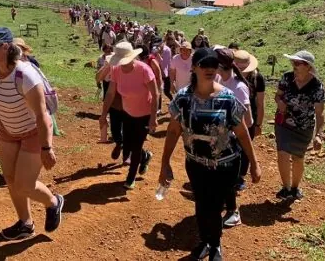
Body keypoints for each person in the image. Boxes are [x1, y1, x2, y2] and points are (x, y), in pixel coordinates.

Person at [159, 48, 261, 261]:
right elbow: (173, 131)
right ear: (194, 67)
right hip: (195, 164)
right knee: (201, 204)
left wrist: (254, 163)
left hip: (225, 165)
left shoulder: (227, 98)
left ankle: (214, 245)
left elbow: (242, 133)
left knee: (213, 206)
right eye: (204, 64)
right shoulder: (183, 98)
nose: (209, 69)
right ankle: (206, 241)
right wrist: (164, 163)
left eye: (213, 65)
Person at [0, 27, 64, 240]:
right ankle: (25, 224)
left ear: (5, 47)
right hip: (9, 131)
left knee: (24, 185)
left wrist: (46, 147)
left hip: (33, 133)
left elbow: (42, 114)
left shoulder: (25, 75)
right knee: (10, 178)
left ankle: (53, 202)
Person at [99, 41, 158, 189]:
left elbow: (155, 94)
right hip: (127, 112)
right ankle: (146, 156)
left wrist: (153, 118)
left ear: (132, 57)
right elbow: (111, 93)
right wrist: (103, 114)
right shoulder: (117, 70)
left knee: (136, 145)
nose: (122, 64)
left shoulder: (144, 70)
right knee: (129, 143)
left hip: (144, 113)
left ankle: (130, 178)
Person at [274, 50, 325, 201]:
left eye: (298, 63)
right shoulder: (286, 78)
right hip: (284, 122)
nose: (294, 65)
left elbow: (320, 113)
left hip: (304, 127)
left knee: (298, 158)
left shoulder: (316, 86)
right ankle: (286, 188)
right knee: (282, 153)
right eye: (293, 62)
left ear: (308, 67)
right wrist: (280, 102)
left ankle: (295, 188)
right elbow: (277, 95)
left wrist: (319, 135)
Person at [214, 48, 253, 228]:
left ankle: (233, 212)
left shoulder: (239, 87)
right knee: (220, 175)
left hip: (233, 139)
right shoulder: (220, 80)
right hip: (221, 137)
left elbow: (248, 120)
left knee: (229, 177)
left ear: (220, 66)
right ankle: (224, 203)